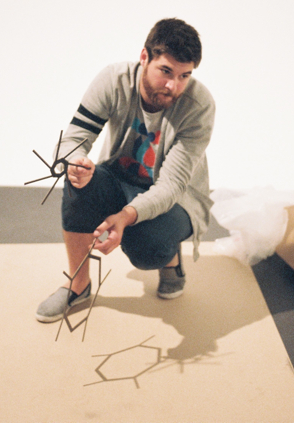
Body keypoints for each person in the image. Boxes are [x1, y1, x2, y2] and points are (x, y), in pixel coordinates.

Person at [36, 18, 215, 322]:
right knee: (77, 182)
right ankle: (78, 285)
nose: (174, 86)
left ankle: (170, 257)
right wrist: (74, 162)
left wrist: (126, 216)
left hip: (179, 199)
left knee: (146, 249)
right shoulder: (114, 80)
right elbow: (73, 139)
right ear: (144, 57)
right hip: (120, 177)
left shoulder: (199, 106)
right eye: (166, 71)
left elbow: (171, 186)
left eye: (184, 75)